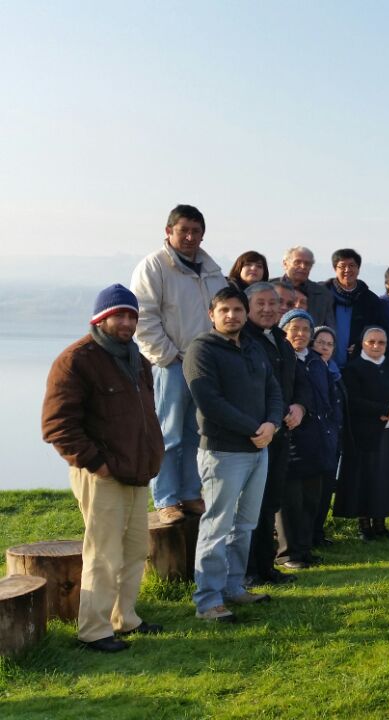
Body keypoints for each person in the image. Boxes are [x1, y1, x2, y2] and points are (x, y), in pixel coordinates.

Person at [41, 284, 165, 652]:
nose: (127, 322)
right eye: (119, 315)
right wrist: (97, 464)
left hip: (136, 471)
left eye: (132, 316)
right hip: (102, 473)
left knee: (134, 549)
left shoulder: (136, 359)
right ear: (100, 318)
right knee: (104, 552)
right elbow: (56, 426)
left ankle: (124, 618)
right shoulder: (76, 360)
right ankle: (93, 630)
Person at [184, 286, 283, 622]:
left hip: (259, 449)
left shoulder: (254, 348)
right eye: (224, 310)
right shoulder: (201, 350)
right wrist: (254, 429)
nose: (232, 316)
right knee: (217, 525)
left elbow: (274, 389)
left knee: (245, 525)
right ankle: (208, 600)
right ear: (212, 315)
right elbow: (210, 403)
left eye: (237, 310)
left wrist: (271, 423)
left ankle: (233, 587)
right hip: (224, 452)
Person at [130, 204, 227, 525]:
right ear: (168, 232)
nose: (189, 237)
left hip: (206, 365)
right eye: (183, 230)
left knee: (196, 432)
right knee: (168, 432)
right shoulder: (154, 267)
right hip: (171, 364)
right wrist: (169, 356)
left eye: (196, 231)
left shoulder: (212, 270)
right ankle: (166, 498)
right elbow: (143, 317)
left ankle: (189, 492)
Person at [242, 283, 310, 587]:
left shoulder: (281, 342)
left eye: (275, 303)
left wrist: (300, 406)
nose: (269, 309)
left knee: (270, 501)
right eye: (262, 303)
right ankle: (248, 571)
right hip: (254, 436)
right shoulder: (243, 340)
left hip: (281, 433)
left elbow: (299, 382)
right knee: (250, 507)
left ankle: (266, 566)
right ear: (247, 307)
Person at [335, 327, 389, 540]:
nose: (377, 346)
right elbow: (352, 400)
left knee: (385, 479)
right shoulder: (353, 369)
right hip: (365, 435)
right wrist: (383, 410)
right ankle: (365, 527)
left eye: (381, 342)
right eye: (372, 342)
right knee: (365, 480)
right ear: (363, 343)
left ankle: (381, 525)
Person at [277, 309, 332, 569]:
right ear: (284, 330)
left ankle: (305, 547)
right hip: (290, 434)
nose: (300, 334)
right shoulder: (279, 357)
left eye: (305, 329)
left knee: (312, 497)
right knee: (290, 500)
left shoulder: (315, 360)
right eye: (294, 328)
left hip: (316, 437)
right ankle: (288, 553)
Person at [308, 326, 346, 547]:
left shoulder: (335, 371)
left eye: (329, 344)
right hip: (315, 439)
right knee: (312, 491)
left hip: (334, 438)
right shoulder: (309, 368)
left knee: (325, 492)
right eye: (320, 342)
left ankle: (318, 533)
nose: (324, 347)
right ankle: (307, 536)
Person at [324, 248, 385, 367]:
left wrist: (362, 342)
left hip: (358, 365)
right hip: (324, 363)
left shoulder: (369, 299)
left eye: (352, 265)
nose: (347, 270)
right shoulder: (322, 294)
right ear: (335, 269)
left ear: (358, 269)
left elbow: (378, 328)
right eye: (342, 266)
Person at [278, 246, 335, 327]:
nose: (303, 267)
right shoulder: (269, 288)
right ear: (285, 264)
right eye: (297, 262)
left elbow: (329, 329)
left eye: (307, 264)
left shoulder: (323, 295)